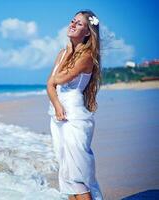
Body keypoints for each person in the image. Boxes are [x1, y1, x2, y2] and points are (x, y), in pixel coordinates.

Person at [46, 10, 104, 200]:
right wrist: (56, 105)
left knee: (77, 174)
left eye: (79, 24)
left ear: (88, 32)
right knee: (66, 173)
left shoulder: (86, 56)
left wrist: (70, 52)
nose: (72, 24)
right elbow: (49, 85)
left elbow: (58, 79)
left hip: (74, 116)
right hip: (58, 115)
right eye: (72, 21)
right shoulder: (62, 53)